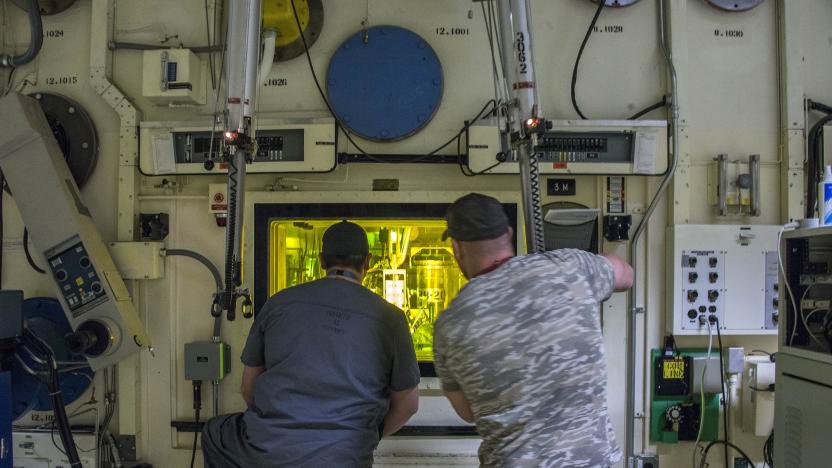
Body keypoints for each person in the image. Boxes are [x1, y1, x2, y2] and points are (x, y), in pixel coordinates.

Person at [433, 193, 634, 468]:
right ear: (508, 233)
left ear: (456, 248)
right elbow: (626, 275)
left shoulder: (450, 324)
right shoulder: (570, 268)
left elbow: (468, 412)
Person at [201, 221, 420, 468]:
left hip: (269, 451)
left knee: (214, 431)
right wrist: (365, 438)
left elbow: (248, 389)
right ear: (367, 262)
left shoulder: (278, 304)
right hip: (346, 456)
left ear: (322, 261)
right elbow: (408, 406)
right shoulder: (391, 318)